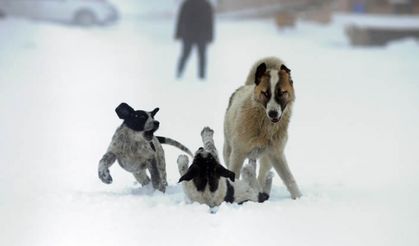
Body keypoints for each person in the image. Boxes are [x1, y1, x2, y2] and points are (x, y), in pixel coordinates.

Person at [175, 0, 214, 80]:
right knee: (188, 55)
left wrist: (178, 34)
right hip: (193, 35)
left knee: (199, 56)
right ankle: (180, 73)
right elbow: (181, 19)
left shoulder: (204, 4)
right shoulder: (204, 4)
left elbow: (210, 22)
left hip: (194, 35)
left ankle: (201, 76)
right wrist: (210, 36)